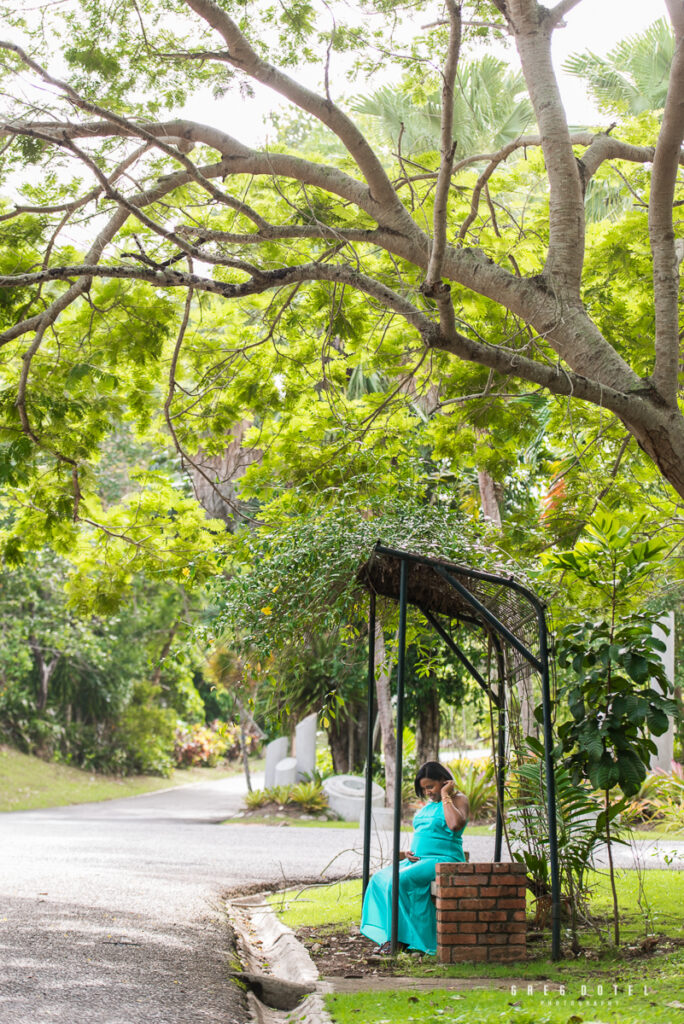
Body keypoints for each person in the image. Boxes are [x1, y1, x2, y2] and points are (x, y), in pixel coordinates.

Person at [360, 761, 469, 956]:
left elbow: (454, 825)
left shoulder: (458, 800)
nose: (427, 792)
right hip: (419, 860)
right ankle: (392, 934)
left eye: (430, 786)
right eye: (424, 788)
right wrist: (410, 851)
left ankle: (399, 940)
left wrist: (445, 795)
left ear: (444, 781)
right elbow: (424, 830)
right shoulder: (429, 805)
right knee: (378, 880)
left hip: (444, 858)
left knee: (398, 882)